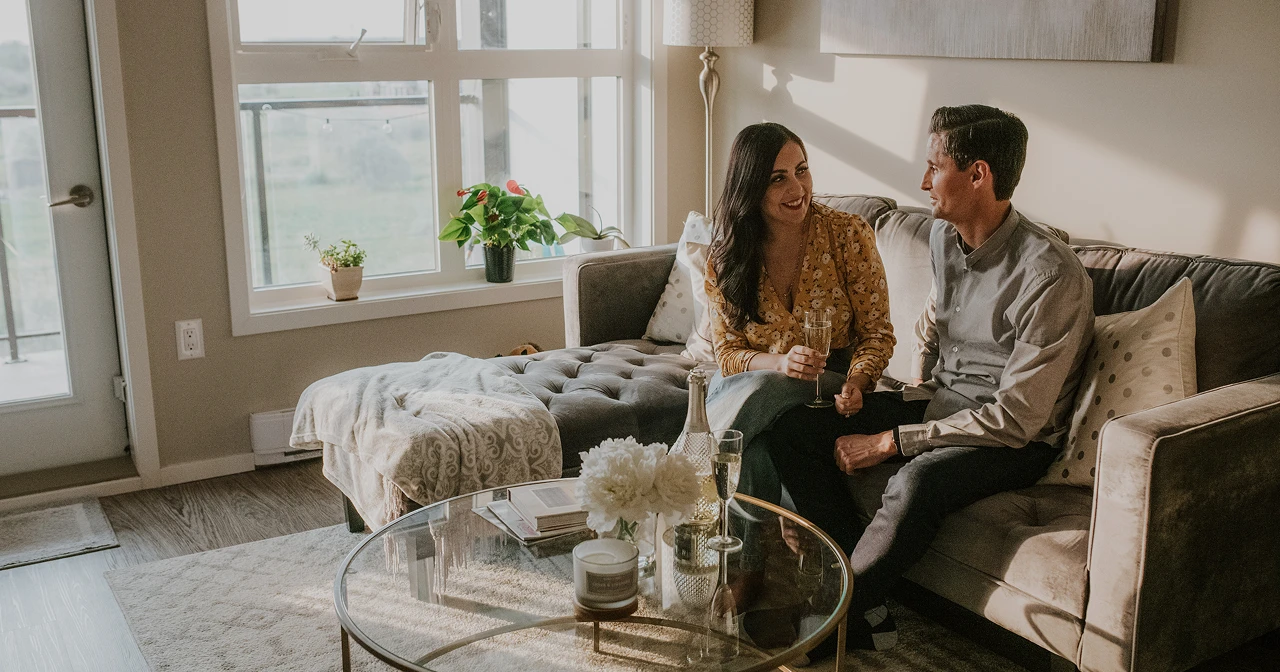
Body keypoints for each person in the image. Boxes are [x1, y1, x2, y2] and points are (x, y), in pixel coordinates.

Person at [765, 105, 1095, 652]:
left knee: (917, 482)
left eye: (934, 167)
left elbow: (1016, 419)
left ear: (978, 174)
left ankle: (825, 628)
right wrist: (889, 394)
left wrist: (891, 440)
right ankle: (859, 605)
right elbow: (936, 331)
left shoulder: (1051, 275)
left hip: (1013, 440)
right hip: (942, 400)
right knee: (794, 428)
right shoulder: (944, 238)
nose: (923, 182)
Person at [701, 122, 896, 504]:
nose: (798, 188)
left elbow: (877, 334)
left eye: (801, 170)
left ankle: (684, 482)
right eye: (778, 178)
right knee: (754, 449)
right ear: (751, 187)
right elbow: (727, 355)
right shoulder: (727, 256)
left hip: (827, 380)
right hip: (751, 381)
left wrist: (857, 383)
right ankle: (749, 545)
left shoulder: (847, 234)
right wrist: (779, 363)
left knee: (759, 392)